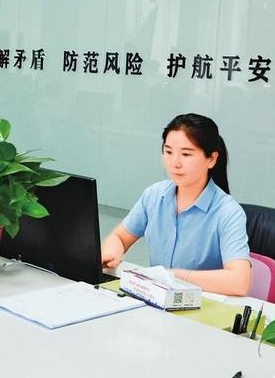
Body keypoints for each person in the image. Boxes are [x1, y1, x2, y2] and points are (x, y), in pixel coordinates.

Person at [101, 113, 251, 296]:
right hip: (157, 299)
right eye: (168, 152)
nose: (174, 163)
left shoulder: (228, 212)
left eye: (186, 154)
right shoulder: (155, 195)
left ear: (211, 159)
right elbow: (119, 237)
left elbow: (239, 282)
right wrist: (112, 251)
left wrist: (175, 276)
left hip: (203, 303)